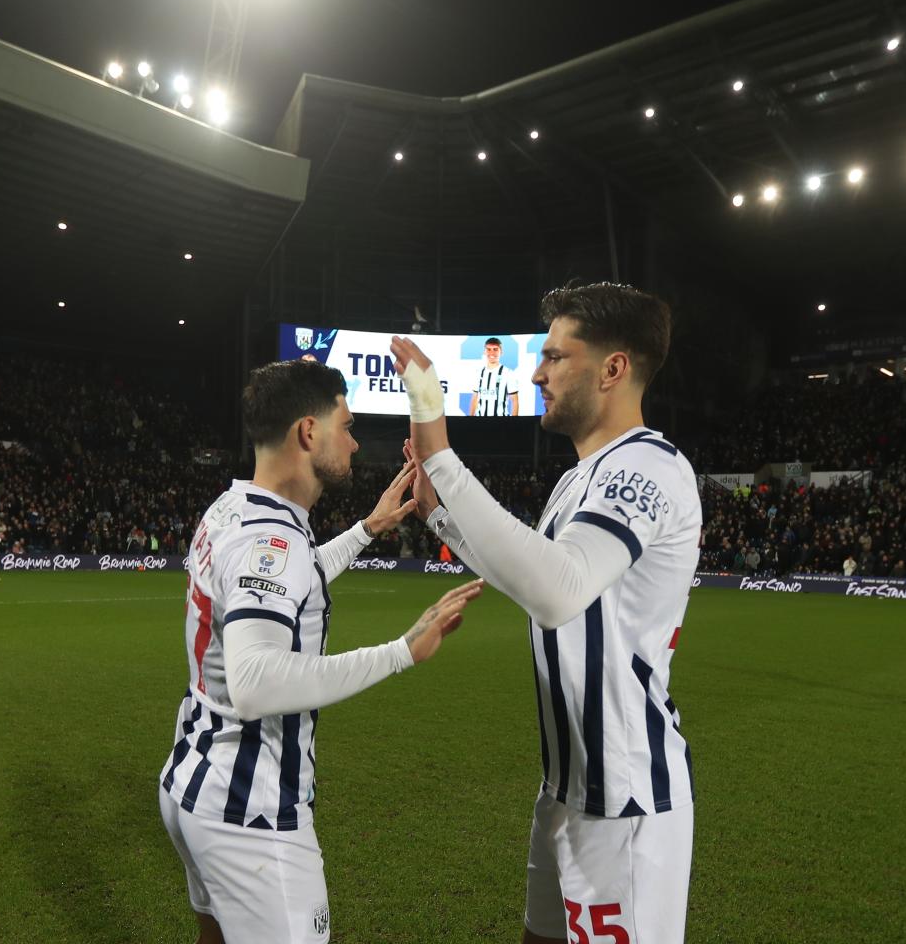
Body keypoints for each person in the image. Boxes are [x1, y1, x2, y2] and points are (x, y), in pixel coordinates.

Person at [392, 282, 700, 944]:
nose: (537, 373)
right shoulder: (578, 478)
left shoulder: (649, 467)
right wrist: (439, 514)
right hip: (567, 787)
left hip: (623, 799)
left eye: (556, 357)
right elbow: (535, 577)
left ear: (613, 368)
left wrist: (441, 452)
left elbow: (561, 589)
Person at [158, 359, 483, 944]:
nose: (355, 442)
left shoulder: (234, 508)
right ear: (309, 432)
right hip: (251, 813)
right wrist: (402, 651)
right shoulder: (272, 538)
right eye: (347, 425)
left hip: (193, 783)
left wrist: (366, 530)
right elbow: (256, 682)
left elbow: (289, 581)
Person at [468, 336, 520, 417]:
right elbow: (475, 397)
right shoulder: (479, 372)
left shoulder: (508, 373)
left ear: (501, 352)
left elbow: (515, 401)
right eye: (488, 349)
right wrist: (470, 419)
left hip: (501, 422)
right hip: (480, 421)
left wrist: (513, 422)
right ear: (484, 352)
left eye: (495, 349)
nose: (492, 353)